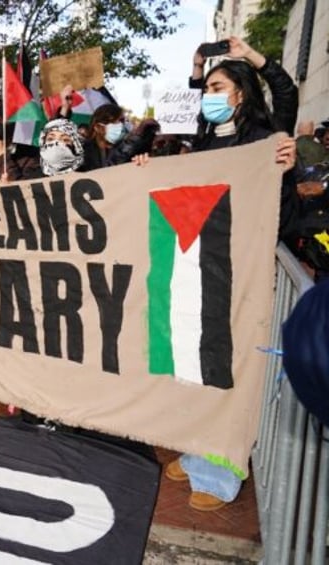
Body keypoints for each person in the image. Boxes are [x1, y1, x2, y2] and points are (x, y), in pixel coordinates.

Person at [164, 47, 299, 512]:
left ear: (240, 94)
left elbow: (286, 93)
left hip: (244, 273)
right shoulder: (203, 143)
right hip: (206, 269)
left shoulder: (265, 140)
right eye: (205, 90)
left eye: (217, 89)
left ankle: (221, 471)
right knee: (202, 368)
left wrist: (255, 58)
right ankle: (198, 447)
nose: (208, 96)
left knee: (232, 372)